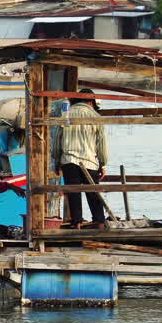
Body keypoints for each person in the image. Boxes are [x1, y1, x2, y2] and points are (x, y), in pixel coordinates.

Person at [54, 88, 109, 228]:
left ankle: (77, 222)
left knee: (74, 192)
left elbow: (57, 140)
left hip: (68, 160)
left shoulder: (66, 115)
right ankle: (99, 221)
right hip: (89, 160)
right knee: (93, 192)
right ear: (91, 101)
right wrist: (103, 164)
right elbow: (101, 143)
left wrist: (56, 160)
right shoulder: (95, 116)